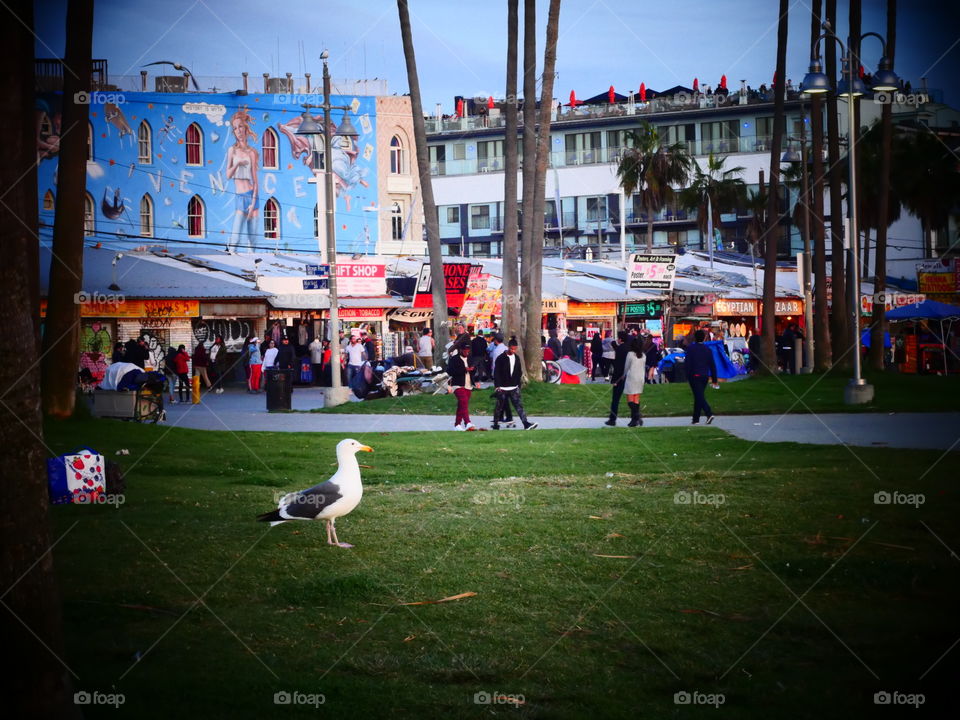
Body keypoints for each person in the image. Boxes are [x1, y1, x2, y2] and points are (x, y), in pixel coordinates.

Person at [492, 338, 538, 430]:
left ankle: (526, 423)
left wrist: (518, 385)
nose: (513, 351)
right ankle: (496, 424)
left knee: (519, 406)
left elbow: (518, 372)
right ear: (508, 347)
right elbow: (496, 373)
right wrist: (497, 386)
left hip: (513, 387)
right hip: (503, 387)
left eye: (514, 349)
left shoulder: (516, 358)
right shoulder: (500, 358)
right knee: (499, 407)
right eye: (511, 349)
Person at [686, 329, 718, 424]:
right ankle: (696, 419)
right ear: (704, 338)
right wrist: (714, 379)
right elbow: (712, 365)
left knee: (699, 396)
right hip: (704, 375)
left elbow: (687, 363)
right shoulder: (707, 350)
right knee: (698, 395)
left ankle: (709, 413)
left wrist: (687, 375)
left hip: (694, 375)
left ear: (695, 338)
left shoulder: (691, 349)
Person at [446, 340, 475, 430]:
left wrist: (472, 370)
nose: (467, 352)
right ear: (460, 350)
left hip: (468, 385)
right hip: (458, 384)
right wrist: (464, 370)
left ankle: (457, 424)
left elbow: (474, 371)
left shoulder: (470, 358)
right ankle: (468, 422)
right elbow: (450, 371)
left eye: (468, 350)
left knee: (462, 405)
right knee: (463, 401)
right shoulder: (454, 359)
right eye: (465, 350)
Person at [604, 330, 630, 426]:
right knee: (631, 398)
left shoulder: (619, 350)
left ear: (620, 339)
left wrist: (614, 379)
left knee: (615, 399)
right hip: (628, 375)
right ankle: (636, 416)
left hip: (619, 376)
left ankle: (612, 419)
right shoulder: (628, 348)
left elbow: (618, 366)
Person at [623, 336, 647, 427]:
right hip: (640, 378)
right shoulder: (644, 355)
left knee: (630, 400)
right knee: (636, 398)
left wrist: (623, 375)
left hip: (632, 377)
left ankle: (637, 416)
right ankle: (634, 420)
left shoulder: (630, 354)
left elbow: (626, 367)